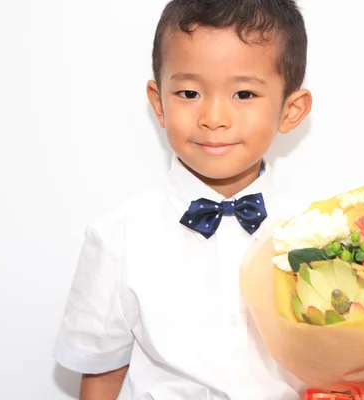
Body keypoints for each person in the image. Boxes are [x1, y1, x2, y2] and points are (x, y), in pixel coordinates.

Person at [52, 0, 313, 398]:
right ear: (159, 103)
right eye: (189, 92)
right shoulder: (117, 238)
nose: (213, 116)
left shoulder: (321, 236)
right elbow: (102, 376)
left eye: (243, 94)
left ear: (291, 111)